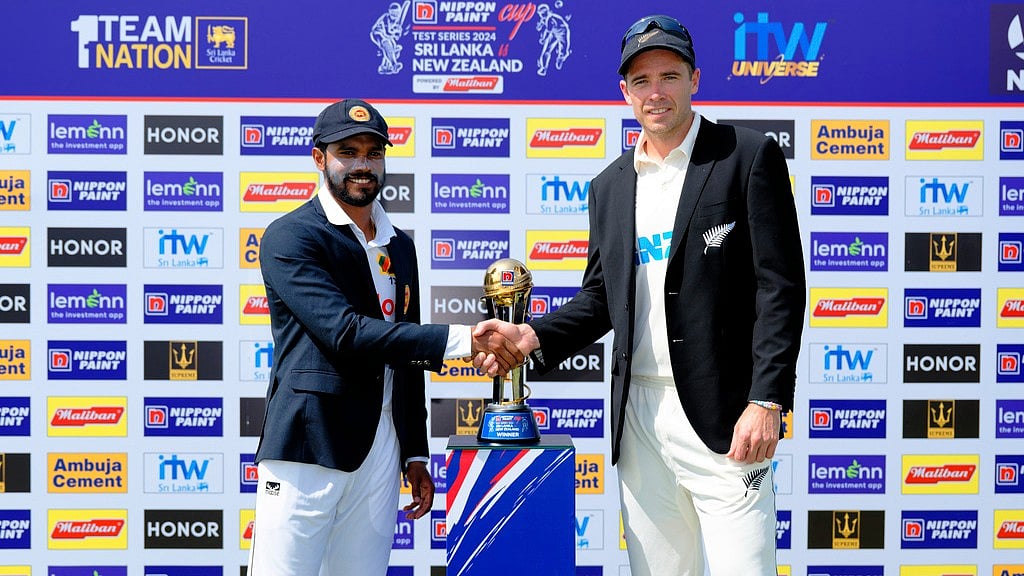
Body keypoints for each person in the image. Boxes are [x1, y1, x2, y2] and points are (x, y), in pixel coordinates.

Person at [476, 15, 805, 575]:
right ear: (624, 91)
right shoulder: (609, 185)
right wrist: (533, 335)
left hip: (726, 414)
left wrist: (767, 400)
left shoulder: (746, 156)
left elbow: (781, 288)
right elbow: (602, 297)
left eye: (670, 76)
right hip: (639, 418)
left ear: (695, 79)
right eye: (643, 80)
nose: (657, 92)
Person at [247, 98, 523, 575]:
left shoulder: (400, 244)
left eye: (373, 153)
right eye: (347, 152)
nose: (362, 165)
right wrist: (464, 341)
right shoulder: (291, 236)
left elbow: (405, 349)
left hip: (381, 453)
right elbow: (345, 333)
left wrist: (414, 450)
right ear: (320, 158)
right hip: (309, 448)